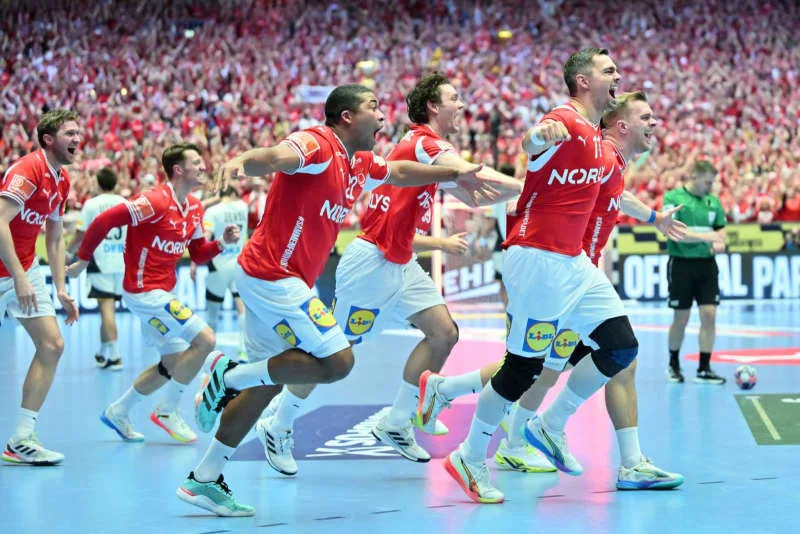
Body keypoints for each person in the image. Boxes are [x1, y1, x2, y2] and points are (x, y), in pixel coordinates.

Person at [178, 84, 505, 516]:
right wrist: (243, 161)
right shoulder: (317, 144)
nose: (383, 116)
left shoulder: (360, 163)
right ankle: (230, 373)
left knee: (269, 381)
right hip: (273, 275)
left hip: (284, 280)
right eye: (373, 107)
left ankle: (205, 477)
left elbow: (401, 172)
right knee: (339, 361)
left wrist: (451, 174)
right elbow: (275, 158)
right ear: (347, 117)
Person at [252, 73, 522, 475]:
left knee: (444, 333)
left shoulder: (427, 152)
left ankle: (396, 422)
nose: (462, 105)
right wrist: (537, 189)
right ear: (434, 107)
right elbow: (472, 176)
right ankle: (278, 422)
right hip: (370, 267)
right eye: (455, 98)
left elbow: (472, 190)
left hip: (400, 262)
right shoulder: (426, 143)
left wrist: (516, 191)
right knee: (330, 355)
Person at [421, 92, 687, 490]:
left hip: (575, 273)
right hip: (549, 268)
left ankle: (482, 408)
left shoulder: (608, 163)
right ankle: (501, 437)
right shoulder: (588, 153)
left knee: (578, 362)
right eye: (646, 116)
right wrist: (537, 140)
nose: (655, 123)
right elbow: (535, 151)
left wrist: (652, 216)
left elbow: (615, 194)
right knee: (535, 369)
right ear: (621, 125)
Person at [67, 143, 240, 444]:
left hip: (162, 291)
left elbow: (198, 254)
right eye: (196, 162)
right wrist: (82, 260)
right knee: (206, 339)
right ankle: (168, 410)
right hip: (144, 292)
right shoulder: (154, 201)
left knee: (171, 364)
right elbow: (103, 221)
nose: (203, 167)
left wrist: (222, 244)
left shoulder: (196, 208)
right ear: (178, 170)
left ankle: (119, 411)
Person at [0, 109, 81, 465]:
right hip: (11, 267)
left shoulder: (61, 180)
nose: (78, 139)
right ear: (48, 139)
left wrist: (61, 287)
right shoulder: (27, 170)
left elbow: (54, 234)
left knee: (51, 345)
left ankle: (20, 438)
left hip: (23, 266)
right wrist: (17, 276)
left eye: (79, 133)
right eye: (70, 133)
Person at [663, 160, 727, 384]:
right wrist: (708, 237)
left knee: (709, 315)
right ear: (693, 176)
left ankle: (704, 368)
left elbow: (721, 231)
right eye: (707, 182)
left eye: (712, 182)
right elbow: (674, 232)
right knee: (681, 317)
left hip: (707, 266)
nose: (710, 186)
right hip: (681, 264)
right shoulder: (673, 199)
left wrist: (721, 242)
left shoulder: (713, 201)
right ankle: (673, 364)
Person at [68, 167, 126, 370]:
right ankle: (103, 353)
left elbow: (80, 233)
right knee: (107, 311)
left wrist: (68, 253)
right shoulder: (125, 203)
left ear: (99, 183)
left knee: (107, 310)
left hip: (101, 262)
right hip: (121, 263)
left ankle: (116, 356)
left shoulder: (92, 204)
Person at [200, 185, 249, 361]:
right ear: (234, 192)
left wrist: (194, 260)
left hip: (218, 266)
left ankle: (209, 353)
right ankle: (243, 351)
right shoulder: (243, 207)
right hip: (239, 265)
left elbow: (205, 238)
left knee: (213, 312)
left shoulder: (213, 211)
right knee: (242, 308)